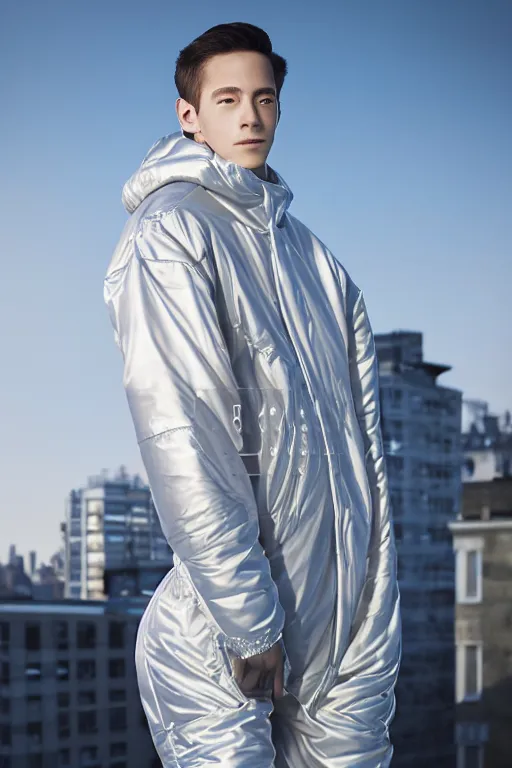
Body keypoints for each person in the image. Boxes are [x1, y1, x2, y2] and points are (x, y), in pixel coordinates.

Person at [104, 21, 401, 768]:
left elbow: (366, 466)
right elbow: (183, 430)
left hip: (338, 637)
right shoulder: (172, 231)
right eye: (228, 98)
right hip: (222, 642)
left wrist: (371, 633)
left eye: (264, 99)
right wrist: (246, 621)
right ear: (189, 115)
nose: (250, 117)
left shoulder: (319, 265)